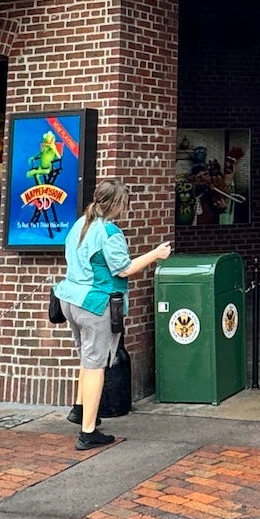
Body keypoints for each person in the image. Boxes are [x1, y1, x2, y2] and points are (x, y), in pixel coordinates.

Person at [53, 179, 172, 450]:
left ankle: (80, 409)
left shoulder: (80, 224)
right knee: (96, 365)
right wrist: (156, 254)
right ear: (117, 204)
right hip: (95, 303)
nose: (125, 209)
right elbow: (124, 269)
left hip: (69, 299)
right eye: (124, 204)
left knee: (86, 358)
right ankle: (87, 432)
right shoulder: (109, 232)